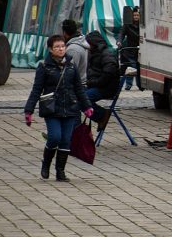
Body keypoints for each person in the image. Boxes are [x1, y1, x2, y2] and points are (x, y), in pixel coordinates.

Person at [23, 35, 94, 182]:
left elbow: (79, 88)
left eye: (63, 46)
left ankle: (60, 171)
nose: (61, 49)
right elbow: (36, 90)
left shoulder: (71, 65)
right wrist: (28, 110)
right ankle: (46, 164)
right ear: (50, 49)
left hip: (70, 108)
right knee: (55, 137)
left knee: (66, 140)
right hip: (52, 108)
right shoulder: (44, 66)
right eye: (57, 47)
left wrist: (87, 106)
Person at [85, 30, 118, 131]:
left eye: (89, 44)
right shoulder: (94, 52)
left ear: (94, 43)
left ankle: (102, 115)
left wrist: (93, 82)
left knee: (82, 99)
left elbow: (108, 74)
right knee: (76, 96)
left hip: (106, 87)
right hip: (98, 84)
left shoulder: (106, 54)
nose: (88, 46)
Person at [117, 7, 140, 90]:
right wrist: (119, 41)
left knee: (139, 66)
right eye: (134, 15)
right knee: (131, 66)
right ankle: (128, 84)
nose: (136, 17)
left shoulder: (143, 25)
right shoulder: (127, 25)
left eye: (138, 15)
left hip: (141, 49)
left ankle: (140, 84)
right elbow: (121, 33)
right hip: (131, 49)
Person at [62, 19, 89, 87]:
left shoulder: (73, 49)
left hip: (75, 86)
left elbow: (69, 72)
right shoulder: (80, 42)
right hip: (80, 83)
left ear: (64, 32)